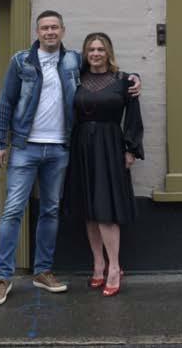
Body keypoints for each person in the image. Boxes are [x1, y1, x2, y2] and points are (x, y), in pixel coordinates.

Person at [0, 11, 139, 306]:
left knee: (50, 210)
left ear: (63, 31)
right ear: (37, 32)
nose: (50, 32)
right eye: (44, 28)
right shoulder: (22, 61)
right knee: (13, 211)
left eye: (54, 27)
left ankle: (43, 271)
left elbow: (103, 69)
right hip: (25, 147)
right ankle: (3, 276)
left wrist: (134, 78)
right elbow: (6, 102)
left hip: (59, 148)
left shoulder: (72, 61)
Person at [65, 32, 143, 298]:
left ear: (108, 52)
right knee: (89, 209)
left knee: (106, 209)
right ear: (85, 54)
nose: (95, 54)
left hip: (110, 147)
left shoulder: (124, 81)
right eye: (91, 49)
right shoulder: (76, 79)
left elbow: (133, 117)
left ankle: (115, 267)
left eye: (100, 49)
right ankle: (98, 264)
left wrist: (131, 149)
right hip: (81, 146)